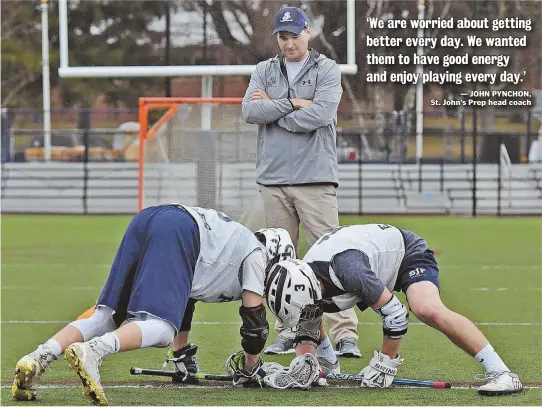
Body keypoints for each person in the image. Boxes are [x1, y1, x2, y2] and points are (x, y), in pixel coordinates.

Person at [11, 204, 295, 405]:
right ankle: (94, 352)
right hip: (180, 229)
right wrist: (251, 367)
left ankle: (36, 359)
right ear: (276, 255)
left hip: (151, 217)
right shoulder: (258, 254)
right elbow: (254, 321)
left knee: (105, 316)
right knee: (160, 329)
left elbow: (186, 298)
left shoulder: (231, 246)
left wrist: (182, 356)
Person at [264, 224, 524, 395]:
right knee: (313, 316)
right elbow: (307, 323)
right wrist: (310, 364)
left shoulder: (347, 268)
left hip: (404, 254)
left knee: (427, 309)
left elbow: (396, 314)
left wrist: (385, 363)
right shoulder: (305, 278)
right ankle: (331, 364)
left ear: (310, 288)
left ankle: (502, 372)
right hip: (366, 263)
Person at [241, 5, 360, 360]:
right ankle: (288, 332)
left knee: (332, 258)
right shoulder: (263, 70)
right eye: (282, 36)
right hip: (273, 180)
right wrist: (293, 103)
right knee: (279, 263)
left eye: (294, 35)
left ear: (308, 32)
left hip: (316, 179)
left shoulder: (326, 69)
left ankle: (345, 335)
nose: (288, 42)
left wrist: (275, 111)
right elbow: (250, 112)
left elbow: (321, 115)